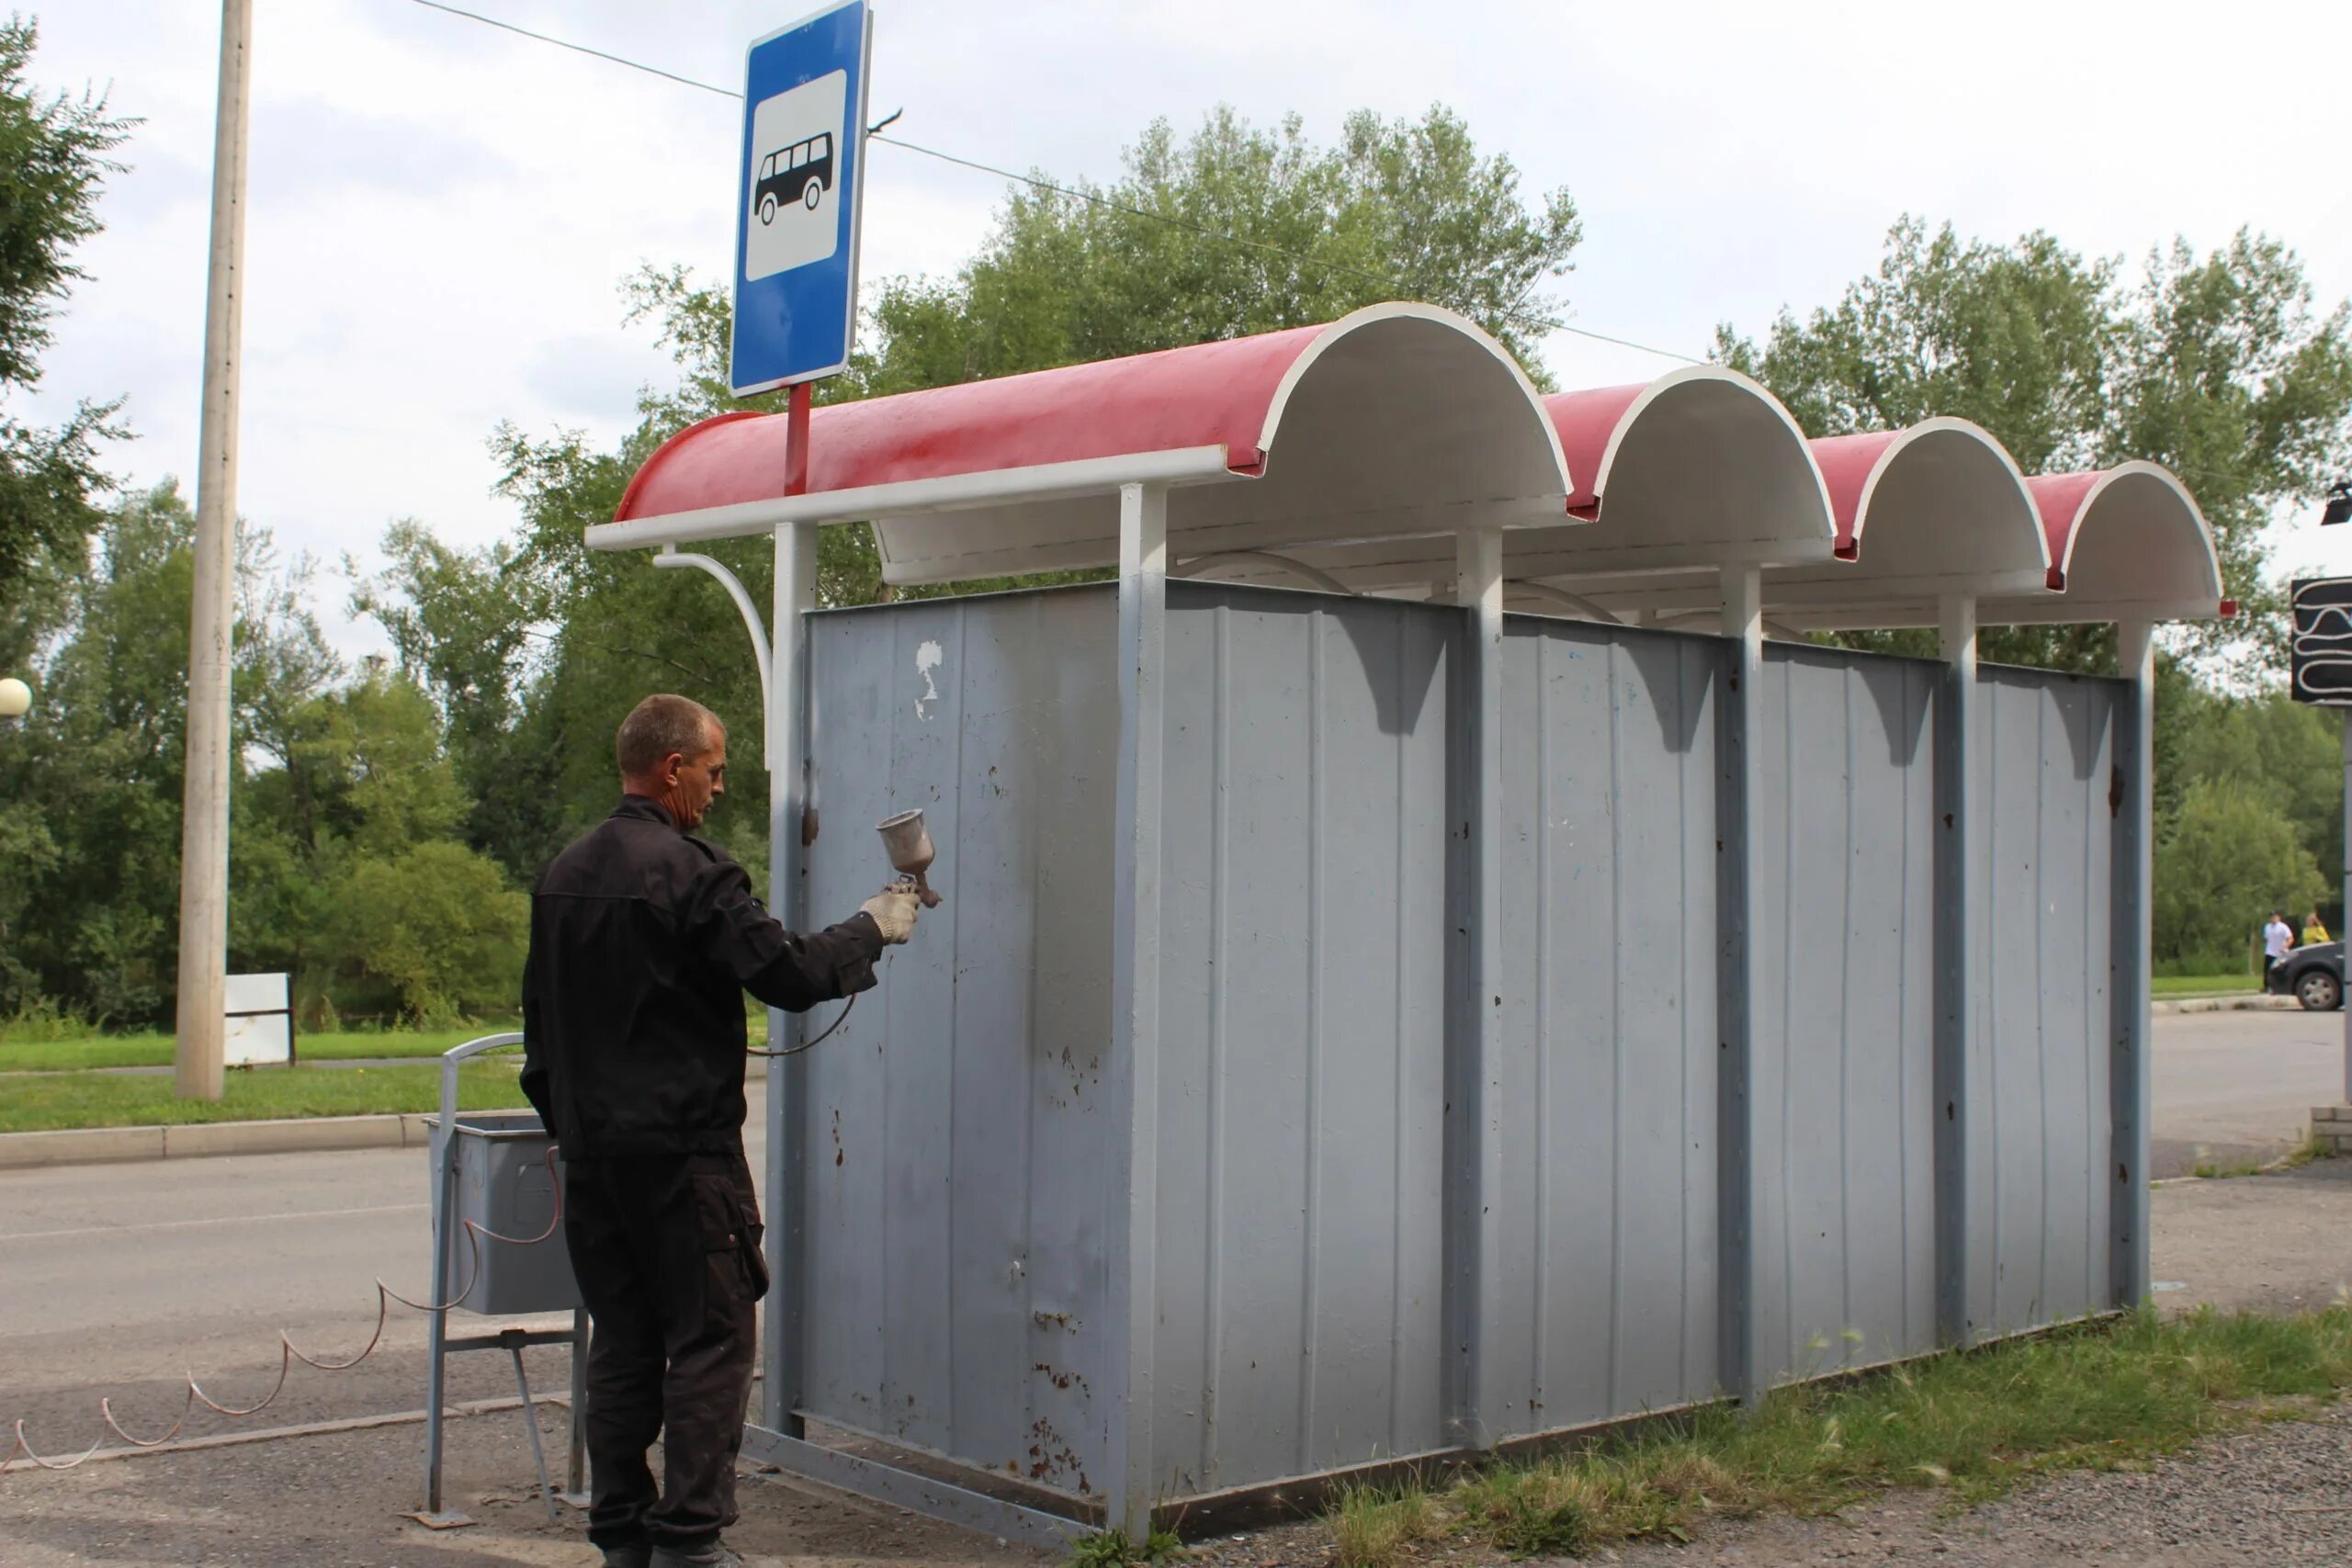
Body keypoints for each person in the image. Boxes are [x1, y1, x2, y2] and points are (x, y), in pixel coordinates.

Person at [521, 694, 921, 1568]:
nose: (719, 784)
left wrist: (575, 1131)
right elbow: (786, 972)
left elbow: (538, 1036)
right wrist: (874, 927)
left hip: (592, 1162)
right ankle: (691, 1543)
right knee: (713, 1338)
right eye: (713, 768)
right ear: (673, 769)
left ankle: (622, 1536)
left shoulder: (562, 873)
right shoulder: (695, 872)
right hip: (684, 1161)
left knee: (624, 1343)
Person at [2264, 909, 2296, 992]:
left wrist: (2285, 946)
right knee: (2268, 970)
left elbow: (2290, 939)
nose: (2273, 918)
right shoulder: (2267, 927)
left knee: (2281, 970)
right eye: (2271, 917)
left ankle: (2284, 986)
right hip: (2270, 951)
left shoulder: (2283, 927)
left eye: (2275, 916)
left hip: (2281, 952)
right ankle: (2267, 986)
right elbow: (2266, 938)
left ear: (2278, 917)